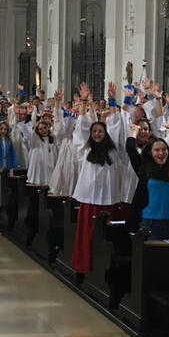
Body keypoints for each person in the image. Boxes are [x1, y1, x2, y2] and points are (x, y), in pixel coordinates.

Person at [71, 83, 126, 274]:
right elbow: (81, 129)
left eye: (100, 131)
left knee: (106, 238)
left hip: (108, 201)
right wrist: (84, 102)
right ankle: (84, 267)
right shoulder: (84, 150)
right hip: (89, 201)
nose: (97, 134)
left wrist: (112, 101)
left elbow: (118, 127)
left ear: (105, 133)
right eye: (94, 132)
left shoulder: (114, 150)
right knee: (87, 236)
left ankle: (105, 271)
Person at [125, 120, 169, 240]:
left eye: (164, 149)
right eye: (157, 150)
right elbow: (130, 148)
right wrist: (134, 130)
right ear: (150, 152)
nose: (161, 153)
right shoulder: (144, 168)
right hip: (149, 223)